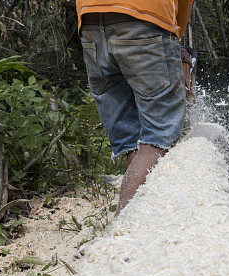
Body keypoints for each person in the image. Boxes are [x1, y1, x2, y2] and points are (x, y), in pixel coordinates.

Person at [76, 0, 193, 212]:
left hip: (90, 23)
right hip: (146, 18)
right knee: (158, 138)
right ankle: (126, 229)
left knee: (131, 138)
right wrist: (174, 37)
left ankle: (145, 215)